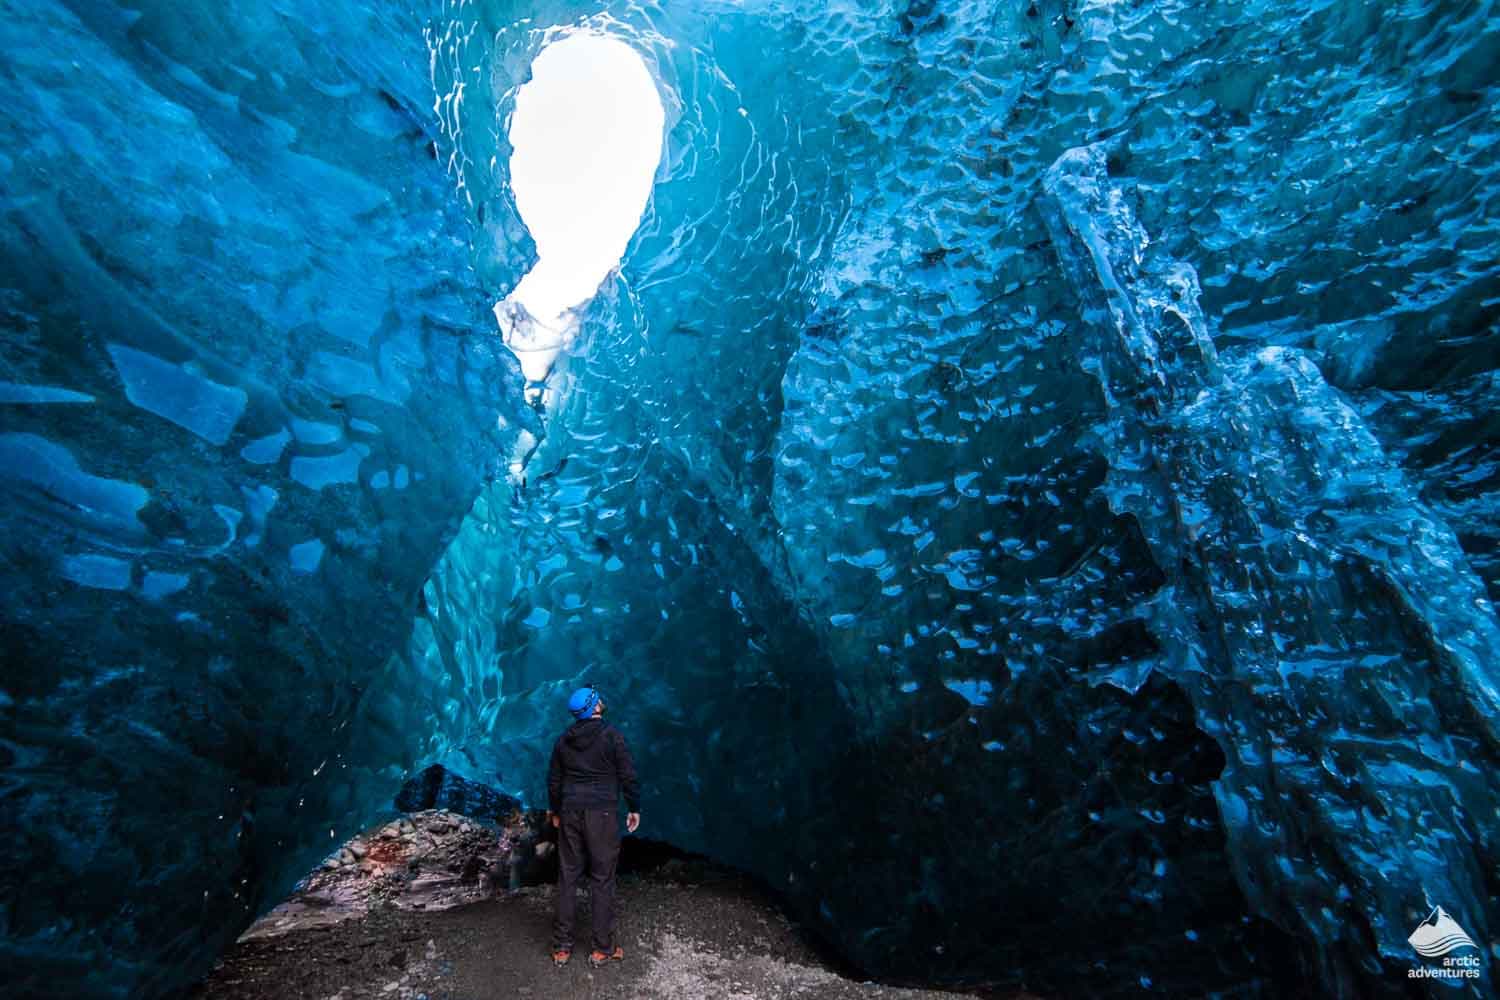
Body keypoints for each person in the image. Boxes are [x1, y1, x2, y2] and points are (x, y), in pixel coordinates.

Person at [546, 685, 641, 968]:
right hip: (601, 815)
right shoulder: (612, 737)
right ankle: (602, 948)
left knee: (568, 876)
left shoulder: (564, 740)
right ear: (595, 706)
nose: (601, 699)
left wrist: (555, 811)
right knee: (602, 878)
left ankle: (561, 947)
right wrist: (634, 807)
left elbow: (554, 780)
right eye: (597, 697)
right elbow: (628, 777)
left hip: (570, 811)